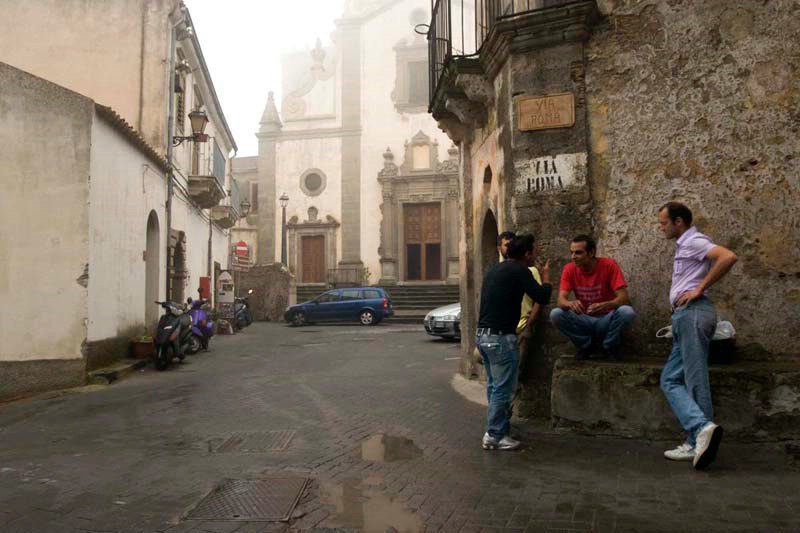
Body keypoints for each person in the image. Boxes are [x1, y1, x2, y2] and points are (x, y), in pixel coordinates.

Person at [658, 202, 737, 470]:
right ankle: (696, 438)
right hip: (685, 316)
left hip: (693, 312)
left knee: (694, 379)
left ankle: (700, 431)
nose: (662, 228)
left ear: (679, 221)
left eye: (664, 223)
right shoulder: (685, 244)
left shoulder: (694, 241)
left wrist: (699, 289)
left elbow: (728, 256)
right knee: (670, 378)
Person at [476, 234, 551, 451]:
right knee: (503, 389)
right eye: (533, 252)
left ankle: (497, 428)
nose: (535, 256)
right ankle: (495, 435)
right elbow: (542, 296)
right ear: (527, 253)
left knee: (493, 386)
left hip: (483, 335)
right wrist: (546, 278)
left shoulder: (495, 269)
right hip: (500, 338)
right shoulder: (520, 270)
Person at [549, 235, 636, 360]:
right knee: (556, 314)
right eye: (572, 252)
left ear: (591, 253)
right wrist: (570, 304)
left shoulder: (609, 265)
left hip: (606, 319)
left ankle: (608, 346)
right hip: (584, 319)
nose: (573, 257)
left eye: (578, 253)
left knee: (627, 312)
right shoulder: (569, 269)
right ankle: (586, 345)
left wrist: (605, 305)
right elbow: (561, 300)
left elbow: (624, 298)